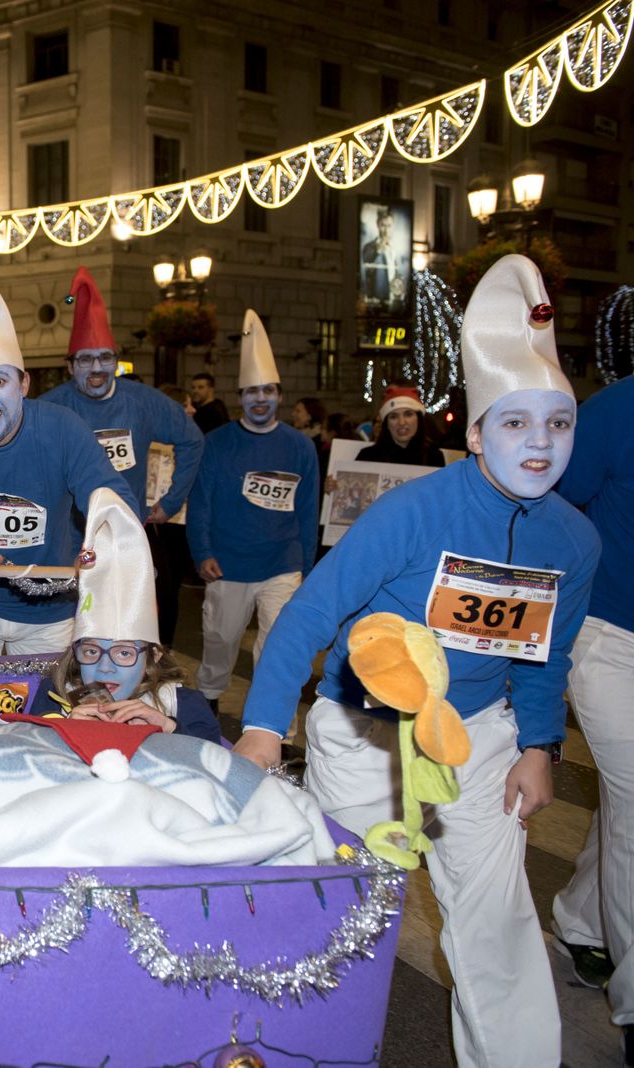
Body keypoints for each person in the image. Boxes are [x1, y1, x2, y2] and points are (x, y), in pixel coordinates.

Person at [235, 255, 599, 1067]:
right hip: (364, 735)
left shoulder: (576, 541)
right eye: (514, 422)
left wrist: (539, 748)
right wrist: (262, 726)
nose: (538, 444)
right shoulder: (412, 511)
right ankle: (317, 1049)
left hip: (476, 740)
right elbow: (310, 614)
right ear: (475, 433)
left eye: (558, 423)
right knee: (347, 909)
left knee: (498, 925)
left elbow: (545, 658)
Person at [0, 267, 129, 657]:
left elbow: (108, 496)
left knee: (46, 709)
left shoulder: (64, 428)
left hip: (49, 608)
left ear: (24, 384)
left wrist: (106, 543)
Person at [549, 374, 633, 1059]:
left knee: (627, 801)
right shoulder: (613, 411)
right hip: (611, 639)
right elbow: (550, 504)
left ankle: (582, 921)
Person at [187, 310, 319, 712]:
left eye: (268, 390)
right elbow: (201, 501)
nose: (260, 399)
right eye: (251, 392)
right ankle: (207, 708)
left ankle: (274, 727)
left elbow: (309, 509)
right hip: (227, 564)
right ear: (240, 397)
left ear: (279, 395)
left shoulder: (301, 447)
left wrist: (306, 567)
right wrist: (202, 552)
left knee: (278, 648)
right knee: (220, 641)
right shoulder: (217, 443)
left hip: (282, 563)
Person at [30, 488, 220, 742]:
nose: (105, 668)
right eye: (90, 652)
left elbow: (216, 761)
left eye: (124, 653)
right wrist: (63, 730)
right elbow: (31, 750)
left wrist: (169, 728)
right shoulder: (56, 693)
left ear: (153, 654)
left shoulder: (180, 703)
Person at [41, 267, 203, 525]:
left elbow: (192, 440)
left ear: (116, 363)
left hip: (127, 534)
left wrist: (172, 501)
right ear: (70, 366)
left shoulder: (145, 402)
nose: (96, 368)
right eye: (85, 359)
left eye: (105, 357)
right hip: (66, 539)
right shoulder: (48, 408)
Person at [147, 384, 197, 648]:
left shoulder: (194, 441)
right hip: (155, 524)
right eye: (186, 404)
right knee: (160, 589)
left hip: (180, 525)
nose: (192, 409)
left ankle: (164, 647)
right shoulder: (151, 440)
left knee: (171, 590)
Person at [357, 383, 448, 468]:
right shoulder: (367, 456)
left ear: (419, 419)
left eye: (408, 414)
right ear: (386, 424)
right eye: (393, 416)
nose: (401, 422)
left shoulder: (434, 457)